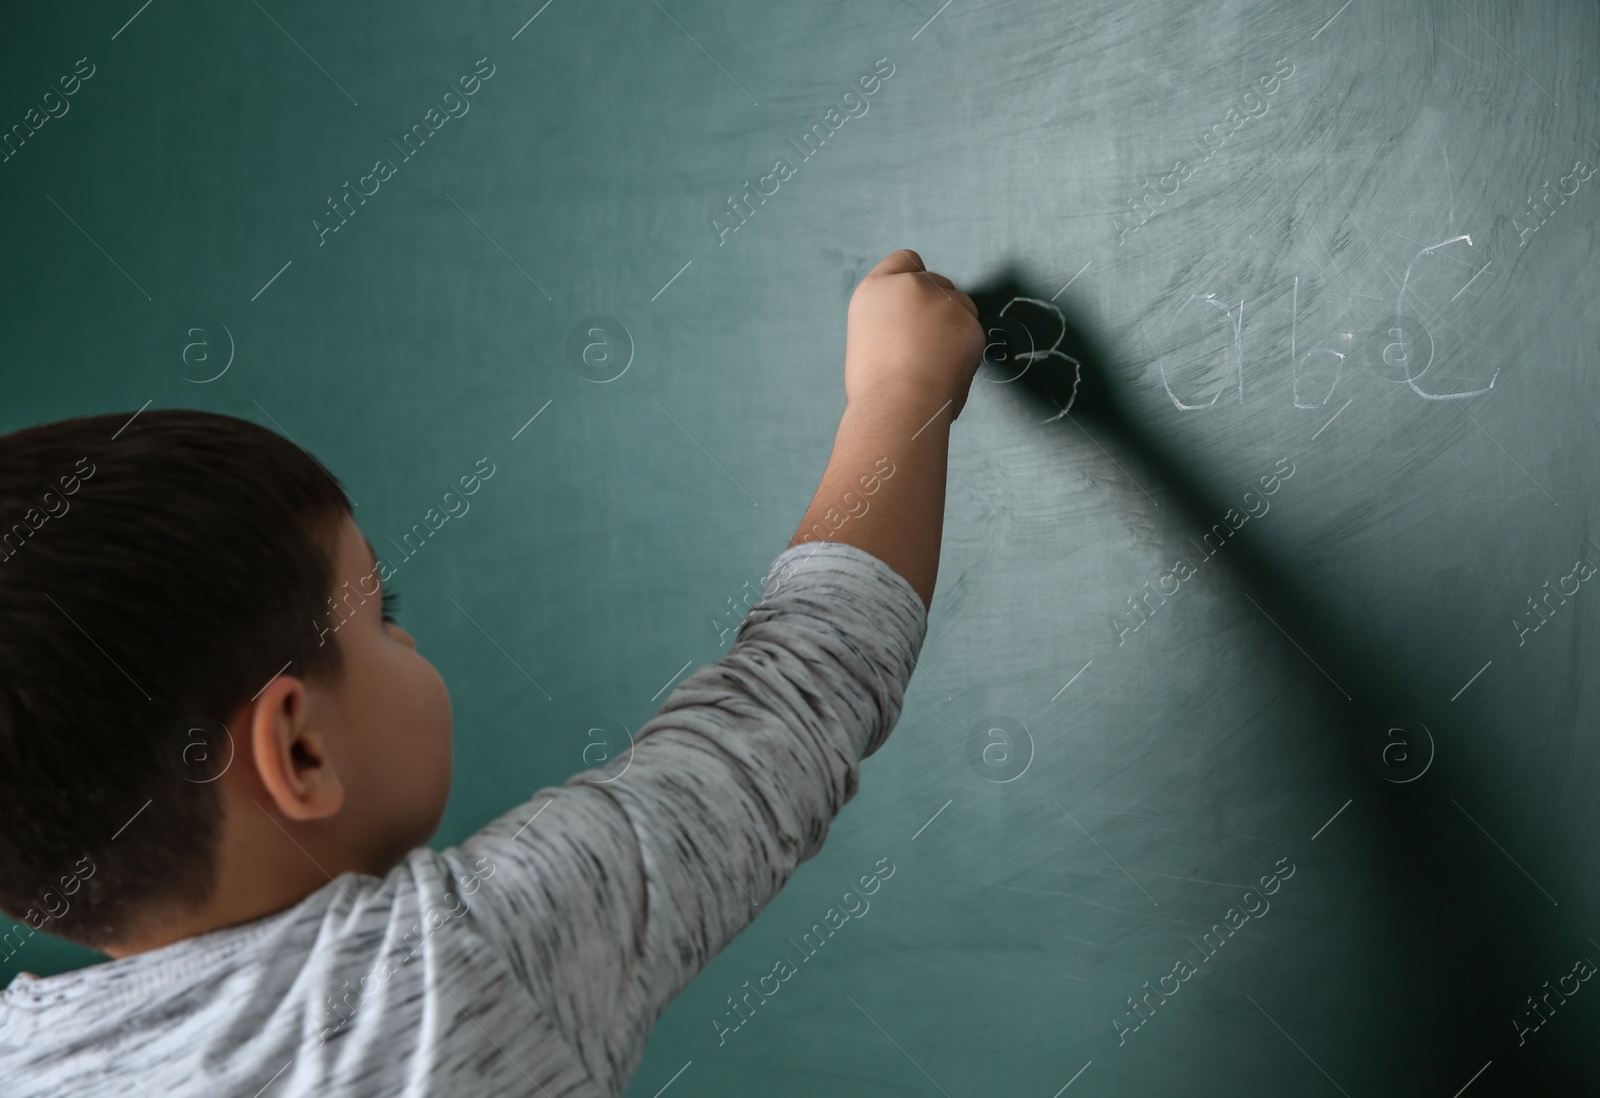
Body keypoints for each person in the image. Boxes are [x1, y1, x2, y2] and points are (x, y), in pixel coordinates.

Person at [0, 248, 983, 1096]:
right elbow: (794, 697)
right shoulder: (455, 962)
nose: (410, 644)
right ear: (296, 749)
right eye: (379, 614)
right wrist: (902, 390)